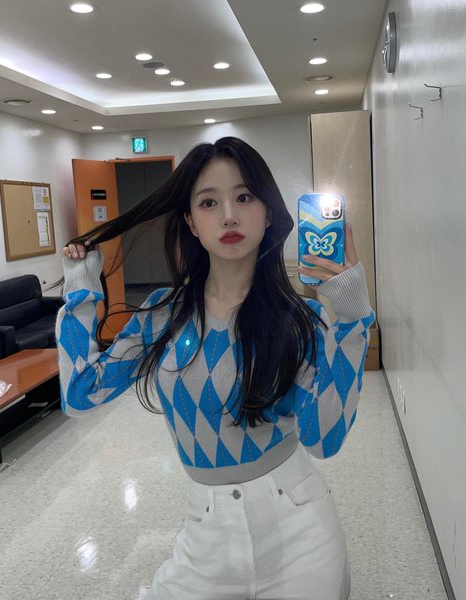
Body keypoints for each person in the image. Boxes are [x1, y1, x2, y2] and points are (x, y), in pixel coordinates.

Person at [56, 136, 375, 600]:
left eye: (244, 197)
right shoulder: (161, 315)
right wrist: (81, 288)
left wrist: (350, 318)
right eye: (209, 202)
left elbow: (324, 439)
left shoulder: (299, 321)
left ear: (269, 213)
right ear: (191, 221)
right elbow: (81, 394)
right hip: (204, 538)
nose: (228, 215)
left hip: (300, 532)